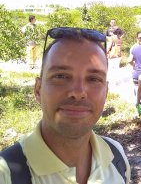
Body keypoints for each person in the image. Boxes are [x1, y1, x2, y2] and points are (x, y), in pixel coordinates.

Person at [0, 27, 131, 183]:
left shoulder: (116, 156)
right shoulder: (7, 174)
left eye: (94, 79)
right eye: (61, 76)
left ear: (106, 92)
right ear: (38, 89)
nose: (78, 92)